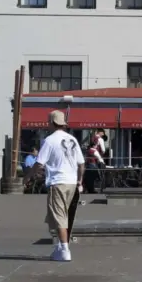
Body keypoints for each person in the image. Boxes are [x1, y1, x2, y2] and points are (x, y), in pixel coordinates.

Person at [34, 110, 85, 262]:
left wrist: (28, 177)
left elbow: (39, 162)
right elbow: (81, 164)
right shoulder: (73, 140)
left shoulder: (49, 140)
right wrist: (80, 181)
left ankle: (64, 248)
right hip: (71, 182)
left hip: (58, 182)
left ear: (51, 123)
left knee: (59, 216)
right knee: (60, 215)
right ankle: (60, 246)